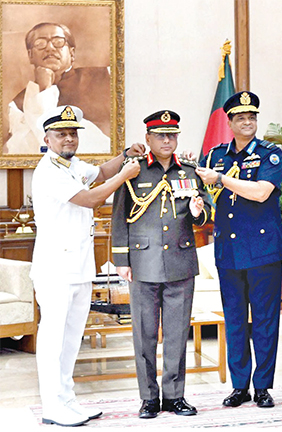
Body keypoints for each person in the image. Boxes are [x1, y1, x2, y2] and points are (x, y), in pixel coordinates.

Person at [30, 105, 142, 427]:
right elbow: (91, 198)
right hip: (54, 268)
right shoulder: (48, 170)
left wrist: (123, 156)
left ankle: (67, 400)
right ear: (47, 139)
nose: (68, 138)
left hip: (78, 267)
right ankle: (52, 406)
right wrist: (125, 176)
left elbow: (102, 173)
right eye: (61, 134)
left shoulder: (71, 165)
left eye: (72, 133)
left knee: (71, 337)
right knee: (53, 339)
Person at [111, 110, 210, 419]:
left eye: (172, 135)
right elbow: (120, 216)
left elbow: (204, 212)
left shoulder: (190, 171)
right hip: (143, 263)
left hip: (180, 261)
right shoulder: (134, 170)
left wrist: (197, 212)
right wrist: (121, 260)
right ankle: (149, 398)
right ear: (148, 139)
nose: (167, 140)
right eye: (161, 135)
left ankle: (175, 396)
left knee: (178, 332)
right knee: (144, 334)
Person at [196, 91, 282, 409]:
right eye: (240, 118)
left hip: (263, 250)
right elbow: (207, 204)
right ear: (230, 122)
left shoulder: (270, 155)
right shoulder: (216, 155)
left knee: (263, 319)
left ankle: (262, 386)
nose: (248, 122)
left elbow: (261, 193)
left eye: (252, 117)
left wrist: (221, 179)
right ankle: (239, 386)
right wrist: (198, 208)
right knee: (234, 320)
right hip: (229, 251)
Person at [5, 22, 110, 154]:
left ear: (72, 53)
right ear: (30, 56)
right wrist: (44, 89)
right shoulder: (18, 104)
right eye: (40, 44)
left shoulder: (106, 76)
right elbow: (26, 149)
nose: (49, 48)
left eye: (58, 41)